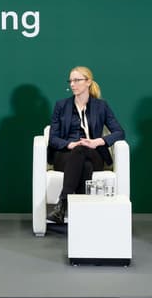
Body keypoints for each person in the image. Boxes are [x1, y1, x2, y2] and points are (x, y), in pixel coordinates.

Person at [46, 66, 125, 225]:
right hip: (65, 155)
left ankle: (63, 204)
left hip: (93, 153)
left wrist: (97, 142)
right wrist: (70, 144)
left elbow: (119, 132)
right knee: (85, 165)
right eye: (70, 81)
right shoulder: (61, 106)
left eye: (77, 80)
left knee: (83, 150)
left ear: (88, 82)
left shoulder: (101, 106)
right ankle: (84, 217)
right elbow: (53, 138)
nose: (72, 84)